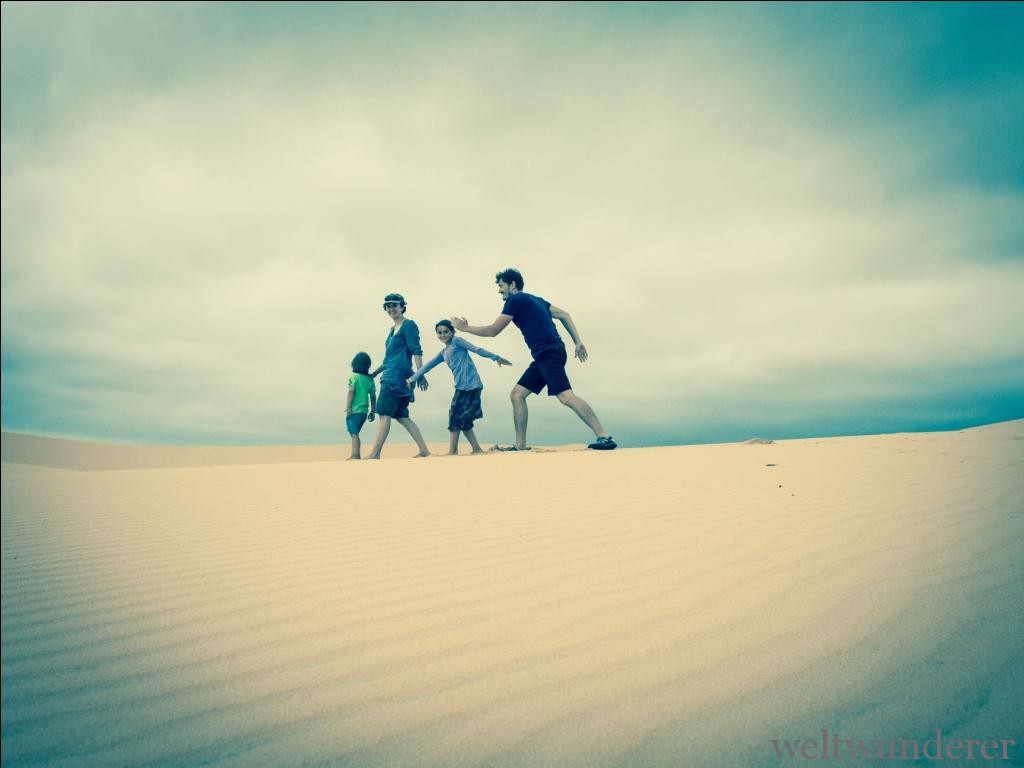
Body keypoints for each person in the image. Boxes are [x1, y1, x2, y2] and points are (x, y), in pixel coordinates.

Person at [451, 268, 616, 450]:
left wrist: (466, 329)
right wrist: (577, 342)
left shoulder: (515, 300)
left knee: (565, 396)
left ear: (512, 284)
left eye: (501, 286)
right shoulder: (537, 300)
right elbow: (565, 315)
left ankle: (604, 436)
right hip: (546, 353)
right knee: (517, 394)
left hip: (548, 352)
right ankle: (520, 446)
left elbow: (493, 330)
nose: (499, 290)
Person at [406, 320, 511, 456]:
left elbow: (476, 349)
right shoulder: (444, 352)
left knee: (464, 418)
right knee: (454, 418)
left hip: (472, 385)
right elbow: (428, 366)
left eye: (446, 332)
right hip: (460, 388)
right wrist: (411, 379)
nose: (443, 335)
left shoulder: (457, 341)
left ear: (452, 332)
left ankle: (475, 449)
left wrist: (496, 358)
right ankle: (455, 451)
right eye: (439, 332)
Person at [366, 293, 431, 459]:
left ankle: (375, 453)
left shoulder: (408, 325)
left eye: (394, 305)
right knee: (402, 416)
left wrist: (420, 374)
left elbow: (416, 350)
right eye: (387, 306)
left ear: (402, 306)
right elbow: (388, 359)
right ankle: (424, 450)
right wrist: (374, 373)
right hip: (394, 374)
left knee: (384, 414)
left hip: (396, 377)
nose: (391, 308)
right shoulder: (391, 330)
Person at [345, 352, 377, 460]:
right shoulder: (369, 380)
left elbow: (351, 392)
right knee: (355, 433)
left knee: (354, 433)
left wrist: (348, 408)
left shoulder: (353, 376)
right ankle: (355, 454)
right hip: (364, 411)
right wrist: (373, 411)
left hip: (354, 410)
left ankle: (355, 455)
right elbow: (373, 396)